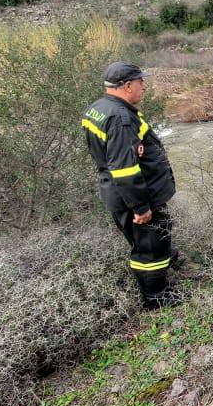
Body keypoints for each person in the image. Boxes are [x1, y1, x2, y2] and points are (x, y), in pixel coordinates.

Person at [81, 61, 192, 309]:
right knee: (150, 248)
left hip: (117, 191)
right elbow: (124, 169)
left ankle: (166, 266)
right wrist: (140, 207)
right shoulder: (120, 119)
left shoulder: (98, 108)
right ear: (127, 85)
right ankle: (156, 299)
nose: (144, 87)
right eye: (141, 82)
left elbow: (109, 155)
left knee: (154, 239)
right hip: (136, 197)